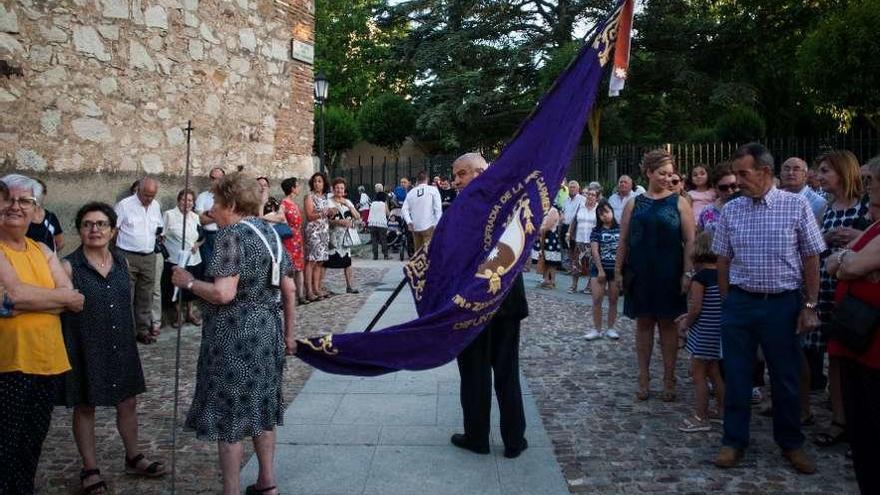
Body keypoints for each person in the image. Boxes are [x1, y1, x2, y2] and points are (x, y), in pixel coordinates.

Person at [170, 173, 296, 495]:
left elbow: (223, 293)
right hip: (267, 331)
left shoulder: (232, 236)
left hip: (235, 337)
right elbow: (290, 288)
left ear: (231, 203)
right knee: (261, 407)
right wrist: (288, 335)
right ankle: (267, 482)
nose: (211, 206)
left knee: (230, 415)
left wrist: (187, 282)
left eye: (215, 199)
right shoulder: (269, 231)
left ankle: (231, 491)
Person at [711, 143, 825, 474]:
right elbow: (722, 258)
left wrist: (809, 305)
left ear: (764, 172)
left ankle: (791, 443)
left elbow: (812, 256)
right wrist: (726, 300)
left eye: (743, 173)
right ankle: (733, 441)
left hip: (782, 304)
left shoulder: (796, 206)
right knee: (736, 374)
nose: (737, 180)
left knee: (786, 377)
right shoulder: (731, 210)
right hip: (741, 303)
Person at [58, 202, 165, 494]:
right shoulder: (68, 266)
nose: (95, 230)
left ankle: (134, 456)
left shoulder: (121, 262)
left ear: (113, 230)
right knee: (85, 405)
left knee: (128, 402)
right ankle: (90, 468)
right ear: (79, 230)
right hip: (84, 344)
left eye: (101, 224)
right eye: (88, 224)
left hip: (121, 342)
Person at [0, 177, 84, 494]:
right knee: (4, 445)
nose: (15, 206)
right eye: (9, 199)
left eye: (25, 202)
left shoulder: (44, 251)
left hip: (48, 361)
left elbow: (74, 299)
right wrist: (50, 300)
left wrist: (24, 304)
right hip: (9, 362)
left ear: (38, 213)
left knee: (31, 444)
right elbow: (15, 295)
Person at [450, 152, 528, 459]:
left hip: (487, 299)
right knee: (494, 372)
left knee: (480, 372)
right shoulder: (510, 201)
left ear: (479, 173)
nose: (456, 181)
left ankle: (483, 437)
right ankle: (509, 439)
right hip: (495, 301)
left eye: (461, 174)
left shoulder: (472, 208)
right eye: (456, 175)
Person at [615, 150, 695, 402]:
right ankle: (643, 376)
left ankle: (669, 377)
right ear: (648, 172)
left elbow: (691, 240)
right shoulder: (634, 203)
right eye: (662, 173)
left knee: (669, 326)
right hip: (641, 271)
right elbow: (624, 240)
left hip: (670, 271)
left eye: (670, 174)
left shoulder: (680, 202)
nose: (667, 178)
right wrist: (618, 270)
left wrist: (688, 272)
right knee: (644, 324)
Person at [824, 155, 880, 494]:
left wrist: (848, 262)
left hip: (875, 345)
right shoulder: (874, 224)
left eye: (873, 180)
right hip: (858, 338)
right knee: (865, 432)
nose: (869, 186)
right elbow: (843, 264)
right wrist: (849, 263)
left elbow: (853, 263)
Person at [810, 150, 869, 449]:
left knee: (860, 356)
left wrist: (855, 235)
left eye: (825, 171)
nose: (819, 177)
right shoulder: (825, 207)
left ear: (843, 172)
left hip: (858, 291)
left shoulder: (866, 207)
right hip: (829, 287)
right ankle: (839, 418)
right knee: (833, 354)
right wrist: (828, 238)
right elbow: (814, 244)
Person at [677, 232, 724, 433]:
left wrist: (686, 322)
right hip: (717, 331)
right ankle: (722, 411)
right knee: (715, 372)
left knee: (698, 373)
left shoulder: (700, 278)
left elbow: (696, 308)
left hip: (703, 332)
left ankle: (701, 416)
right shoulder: (722, 274)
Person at [114, 177, 164, 344]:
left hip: (149, 256)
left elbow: (158, 228)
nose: (149, 199)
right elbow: (113, 229)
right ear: (138, 191)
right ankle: (125, 332)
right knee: (125, 294)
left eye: (152, 195)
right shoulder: (124, 205)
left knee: (146, 295)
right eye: (145, 195)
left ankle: (142, 330)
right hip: (127, 255)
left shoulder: (156, 206)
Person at [162, 189, 203, 327]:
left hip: (193, 258)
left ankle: (190, 313)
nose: (187, 203)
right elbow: (161, 236)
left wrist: (198, 244)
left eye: (190, 200)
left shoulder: (195, 217)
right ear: (178, 200)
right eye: (184, 199)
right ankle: (179, 315)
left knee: (191, 287)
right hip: (175, 259)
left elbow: (202, 236)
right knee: (176, 287)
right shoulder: (169, 215)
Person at [589, 200, 621, 340]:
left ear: (612, 212)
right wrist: (600, 270)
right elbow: (595, 251)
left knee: (613, 299)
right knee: (597, 299)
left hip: (615, 270)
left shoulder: (620, 229)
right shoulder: (596, 231)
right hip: (599, 269)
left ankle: (611, 328)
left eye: (607, 212)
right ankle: (597, 329)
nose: (605, 216)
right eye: (601, 214)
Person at [325, 177, 361, 294]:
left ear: (344, 190)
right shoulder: (328, 202)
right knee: (325, 262)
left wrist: (348, 205)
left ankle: (349, 286)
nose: (339, 190)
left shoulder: (348, 201)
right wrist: (339, 222)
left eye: (341, 188)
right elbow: (325, 220)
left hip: (344, 237)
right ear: (333, 189)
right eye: (337, 188)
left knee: (347, 262)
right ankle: (320, 286)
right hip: (332, 236)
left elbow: (357, 216)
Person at [277, 178, 306, 304]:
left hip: (297, 238)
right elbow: (281, 218)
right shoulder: (283, 203)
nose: (299, 188)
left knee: (299, 267)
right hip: (289, 238)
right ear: (292, 188)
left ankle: (300, 295)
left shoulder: (294, 203)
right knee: (289, 267)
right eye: (297, 186)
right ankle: (289, 296)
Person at [303, 172, 332, 302]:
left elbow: (326, 214)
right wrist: (322, 213)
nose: (317, 183)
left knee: (320, 261)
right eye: (315, 181)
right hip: (314, 231)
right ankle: (308, 291)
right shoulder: (309, 197)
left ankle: (317, 288)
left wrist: (330, 213)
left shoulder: (325, 197)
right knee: (311, 261)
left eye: (319, 181)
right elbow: (309, 215)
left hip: (324, 230)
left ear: (324, 183)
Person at [401, 171, 443, 252]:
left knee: (418, 252)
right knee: (429, 252)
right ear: (427, 179)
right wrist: (438, 223)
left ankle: (418, 263)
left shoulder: (411, 192)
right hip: (429, 225)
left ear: (417, 180)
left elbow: (404, 209)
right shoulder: (433, 190)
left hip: (415, 226)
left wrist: (409, 221)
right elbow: (438, 209)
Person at [568, 188, 598, 294]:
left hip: (592, 241)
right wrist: (569, 233)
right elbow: (574, 220)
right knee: (576, 263)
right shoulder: (580, 206)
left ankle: (589, 286)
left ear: (596, 197)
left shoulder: (598, 209)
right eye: (588, 194)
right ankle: (573, 285)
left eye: (593, 195)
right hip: (579, 240)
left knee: (591, 264)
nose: (590, 196)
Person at [195, 167, 225, 275]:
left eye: (218, 179)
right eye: (212, 178)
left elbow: (231, 218)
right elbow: (200, 220)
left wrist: (210, 215)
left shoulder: (227, 197)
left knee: (222, 270)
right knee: (207, 270)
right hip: (207, 237)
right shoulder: (202, 196)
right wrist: (220, 216)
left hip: (223, 236)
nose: (215, 181)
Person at [780, 157, 827, 222]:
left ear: (805, 175)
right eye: (786, 169)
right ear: (781, 174)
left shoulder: (819, 203)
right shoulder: (774, 199)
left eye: (796, 169)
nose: (790, 173)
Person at [26, 178, 65, 252]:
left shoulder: (50, 217)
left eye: (39, 192)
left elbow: (60, 243)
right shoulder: (21, 218)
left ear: (44, 194)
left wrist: (48, 256)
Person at [697, 165, 738, 233]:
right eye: (723, 187)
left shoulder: (748, 207)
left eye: (734, 186)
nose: (730, 190)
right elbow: (700, 236)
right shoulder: (707, 210)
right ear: (715, 188)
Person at [531, 205, 561, 289]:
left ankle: (551, 281)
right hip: (543, 237)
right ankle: (546, 279)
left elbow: (548, 226)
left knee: (551, 261)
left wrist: (537, 232)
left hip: (549, 237)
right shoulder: (543, 209)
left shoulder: (553, 210)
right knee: (545, 259)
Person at [560, 180, 585, 268]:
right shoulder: (566, 200)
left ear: (578, 189)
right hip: (565, 225)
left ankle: (575, 266)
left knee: (574, 246)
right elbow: (563, 210)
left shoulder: (582, 199)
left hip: (575, 227)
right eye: (570, 187)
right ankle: (570, 265)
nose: (572, 189)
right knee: (566, 246)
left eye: (574, 187)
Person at [368, 190, 391, 260]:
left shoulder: (372, 203)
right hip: (382, 224)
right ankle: (385, 255)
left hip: (372, 223)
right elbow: (388, 213)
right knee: (383, 239)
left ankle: (375, 256)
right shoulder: (384, 204)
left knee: (374, 240)